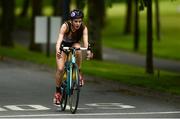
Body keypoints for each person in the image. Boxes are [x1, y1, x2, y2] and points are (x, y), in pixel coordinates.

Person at [53, 9, 93, 105]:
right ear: (71, 21)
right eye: (76, 21)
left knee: (78, 48)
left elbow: (86, 42)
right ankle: (58, 92)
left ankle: (78, 72)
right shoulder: (65, 26)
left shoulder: (84, 28)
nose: (78, 23)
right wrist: (58, 49)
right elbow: (59, 40)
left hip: (74, 45)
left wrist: (88, 50)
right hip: (63, 47)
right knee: (60, 68)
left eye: (80, 21)